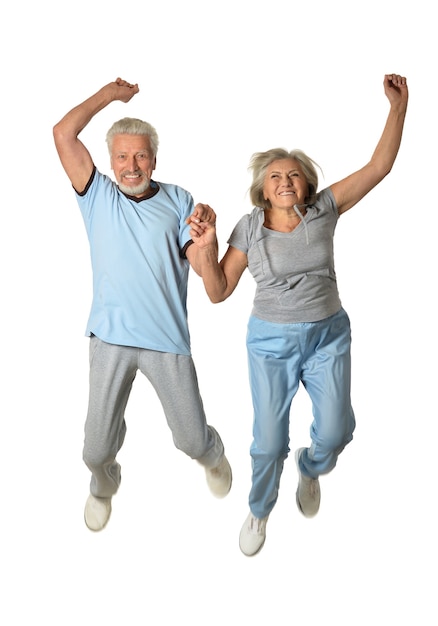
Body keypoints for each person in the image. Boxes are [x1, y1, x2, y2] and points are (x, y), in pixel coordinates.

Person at [189, 73, 408, 556]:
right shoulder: (250, 229)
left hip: (328, 336)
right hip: (271, 343)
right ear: (262, 191)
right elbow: (218, 290)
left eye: (293, 175)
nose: (285, 181)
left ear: (306, 184)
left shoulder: (324, 209)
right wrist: (204, 251)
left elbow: (379, 166)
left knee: (336, 432)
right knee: (267, 443)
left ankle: (310, 470)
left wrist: (397, 107)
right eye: (275, 177)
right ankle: (261, 508)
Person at [53, 77, 232, 532]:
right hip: (109, 339)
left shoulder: (178, 201)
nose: (131, 165)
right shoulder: (98, 195)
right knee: (94, 450)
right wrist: (108, 96)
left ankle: (213, 456)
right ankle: (104, 485)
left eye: (141, 155)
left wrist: (207, 243)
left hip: (165, 342)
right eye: (121, 156)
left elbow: (209, 280)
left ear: (155, 158)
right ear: (110, 160)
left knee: (192, 441)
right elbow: (62, 133)